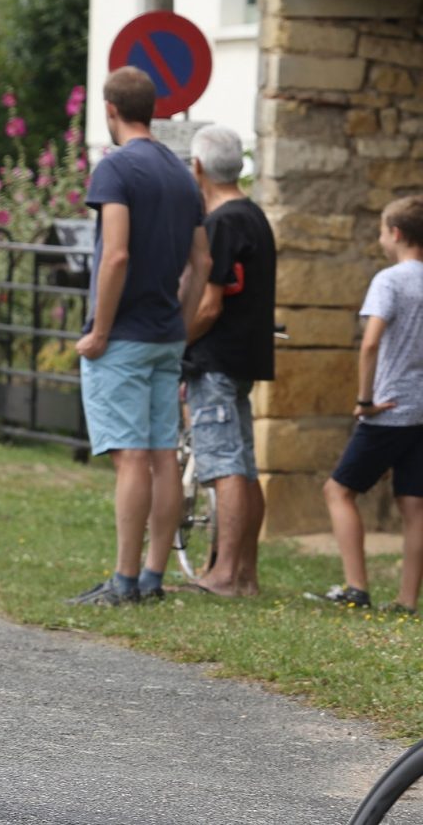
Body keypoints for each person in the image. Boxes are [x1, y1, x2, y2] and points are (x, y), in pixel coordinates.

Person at [68, 66, 212, 607]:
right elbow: (202, 261)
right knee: (160, 456)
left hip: (122, 338)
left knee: (130, 459)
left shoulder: (116, 169)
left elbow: (117, 254)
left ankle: (123, 581)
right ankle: (152, 577)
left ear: (110, 109)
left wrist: (100, 331)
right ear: (154, 109)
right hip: (166, 335)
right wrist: (182, 318)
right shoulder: (181, 175)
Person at [314, 195, 423, 616]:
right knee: (414, 505)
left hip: (390, 408)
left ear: (395, 233)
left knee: (338, 490)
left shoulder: (390, 281)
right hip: (421, 410)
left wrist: (365, 400)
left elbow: (372, 340)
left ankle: (357, 587)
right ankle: (407, 600)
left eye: (381, 231)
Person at [181, 124, 277, 598]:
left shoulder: (221, 223)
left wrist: (176, 346)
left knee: (223, 466)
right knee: (244, 465)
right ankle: (245, 575)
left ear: (197, 167)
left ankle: (223, 576)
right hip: (245, 357)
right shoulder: (254, 215)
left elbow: (209, 305)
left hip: (216, 361)